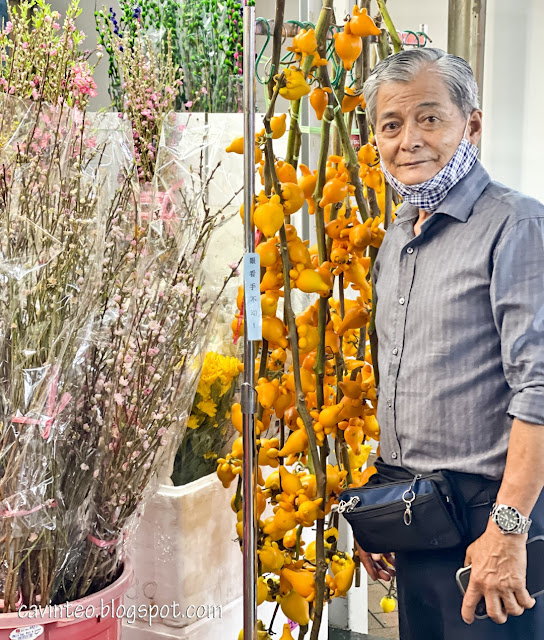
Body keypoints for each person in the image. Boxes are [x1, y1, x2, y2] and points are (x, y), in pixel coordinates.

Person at [356, 47, 544, 639]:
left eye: (429, 118)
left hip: (488, 518)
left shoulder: (515, 225)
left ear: (473, 125)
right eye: (391, 125)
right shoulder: (398, 236)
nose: (408, 140)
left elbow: (539, 389)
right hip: (420, 512)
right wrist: (383, 502)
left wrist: (507, 530)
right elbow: (403, 379)